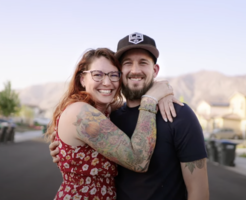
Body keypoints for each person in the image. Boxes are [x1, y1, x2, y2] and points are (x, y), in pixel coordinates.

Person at [50, 32, 209, 200]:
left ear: (155, 70)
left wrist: (162, 92)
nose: (135, 70)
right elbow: (137, 160)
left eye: (143, 63)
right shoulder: (106, 118)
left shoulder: (179, 115)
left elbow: (199, 192)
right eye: (127, 63)